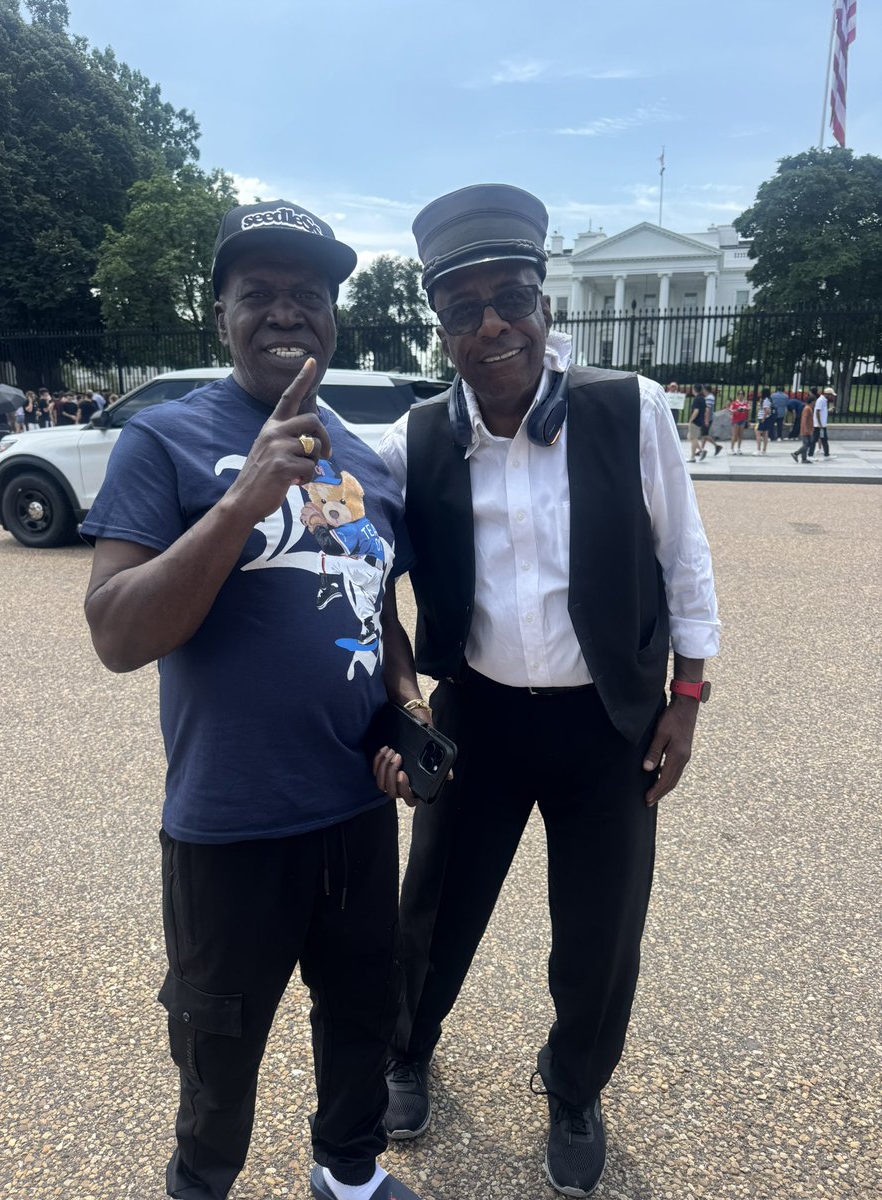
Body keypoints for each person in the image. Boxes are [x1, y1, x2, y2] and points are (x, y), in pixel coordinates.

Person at [374, 184, 720, 1198]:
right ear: (439, 329)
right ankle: (405, 1050)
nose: (491, 325)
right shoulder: (415, 440)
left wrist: (687, 697)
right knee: (432, 909)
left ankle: (573, 1086)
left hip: (608, 718)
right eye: (462, 309)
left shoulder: (630, 410)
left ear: (545, 301)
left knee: (602, 927)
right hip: (477, 713)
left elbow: (685, 559)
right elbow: (355, 565)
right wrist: (394, 691)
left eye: (510, 297)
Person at [81, 198, 425, 1200]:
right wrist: (244, 500)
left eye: (307, 296)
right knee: (217, 1038)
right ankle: (202, 1183)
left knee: (363, 1010)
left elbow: (375, 606)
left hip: (357, 813)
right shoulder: (165, 441)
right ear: (219, 313)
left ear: (333, 317)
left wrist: (409, 708)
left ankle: (349, 1174)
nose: (286, 314)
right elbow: (116, 632)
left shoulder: (360, 460)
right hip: (230, 822)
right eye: (259, 294)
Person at [810, 387, 833, 458]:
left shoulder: (824, 400)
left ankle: (826, 454)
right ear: (827, 394)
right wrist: (820, 424)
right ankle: (810, 455)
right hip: (818, 425)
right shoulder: (820, 400)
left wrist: (828, 410)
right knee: (814, 440)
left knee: (824, 439)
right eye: (831, 395)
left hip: (821, 425)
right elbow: (817, 412)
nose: (831, 397)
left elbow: (821, 411)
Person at [792, 391, 815, 463]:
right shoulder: (807, 408)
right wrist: (806, 428)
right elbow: (804, 418)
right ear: (812, 402)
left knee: (806, 444)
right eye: (815, 402)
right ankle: (796, 453)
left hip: (808, 429)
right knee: (807, 444)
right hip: (806, 429)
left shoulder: (808, 408)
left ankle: (804, 459)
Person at [688, 385, 708, 461]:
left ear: (694, 390)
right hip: (700, 421)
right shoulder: (702, 398)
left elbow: (696, 411)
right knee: (689, 436)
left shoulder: (696, 399)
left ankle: (693, 457)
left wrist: (690, 420)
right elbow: (706, 410)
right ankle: (701, 450)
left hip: (695, 421)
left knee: (693, 439)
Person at [754, 388, 771, 454]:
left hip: (763, 418)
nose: (760, 393)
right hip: (764, 418)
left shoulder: (765, 400)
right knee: (765, 434)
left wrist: (763, 418)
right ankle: (764, 450)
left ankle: (758, 450)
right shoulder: (766, 400)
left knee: (758, 433)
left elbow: (767, 410)